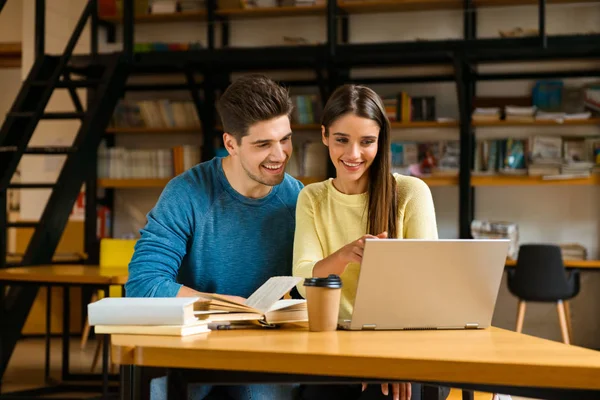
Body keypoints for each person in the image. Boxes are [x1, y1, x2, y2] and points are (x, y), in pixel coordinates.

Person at [125, 74, 303, 400]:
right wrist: (220, 306)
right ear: (231, 144)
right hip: (189, 348)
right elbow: (143, 284)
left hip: (261, 352)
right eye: (263, 144)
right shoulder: (187, 193)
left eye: (285, 139)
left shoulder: (298, 199)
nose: (280, 155)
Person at [292, 84, 445, 400]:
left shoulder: (410, 193)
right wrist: (344, 255)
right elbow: (301, 281)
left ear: (381, 141)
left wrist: (396, 355)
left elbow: (429, 289)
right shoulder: (312, 198)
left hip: (404, 342)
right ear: (324, 136)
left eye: (367, 142)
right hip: (336, 345)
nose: (353, 154)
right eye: (341, 140)